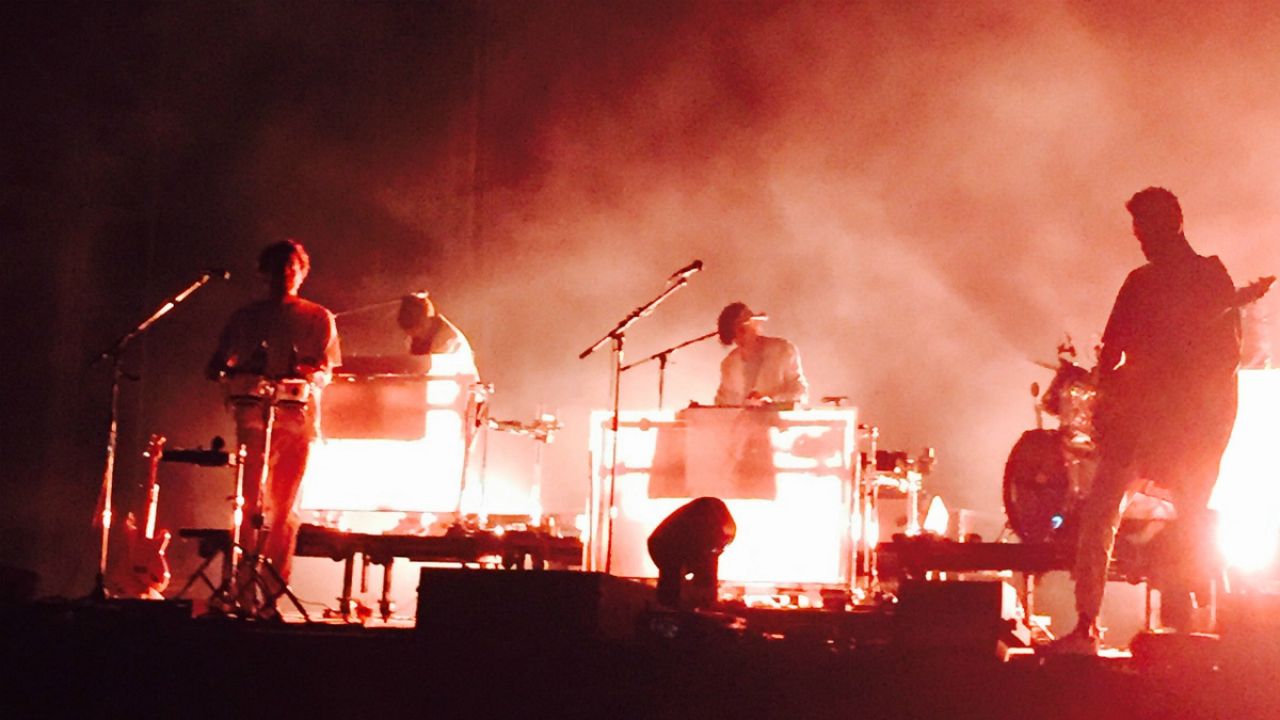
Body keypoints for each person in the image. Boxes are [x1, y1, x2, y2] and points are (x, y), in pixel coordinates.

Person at [1053, 188, 1242, 654]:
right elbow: (1115, 353)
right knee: (1122, 515)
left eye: (1146, 230)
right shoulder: (1169, 281)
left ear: (1174, 221)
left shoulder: (1198, 278)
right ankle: (1202, 626)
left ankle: (1198, 623)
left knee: (1121, 516)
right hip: (1165, 425)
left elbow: (1223, 360)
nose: (1141, 240)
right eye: (1138, 232)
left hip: (1184, 427)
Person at [206, 239, 341, 597]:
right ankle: (242, 584)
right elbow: (220, 362)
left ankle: (271, 590)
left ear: (302, 272)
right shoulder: (245, 318)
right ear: (263, 272)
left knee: (283, 507)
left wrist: (303, 372)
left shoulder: (318, 316)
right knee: (250, 501)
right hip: (252, 420)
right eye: (278, 267)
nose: (285, 274)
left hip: (296, 422)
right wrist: (229, 367)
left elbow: (324, 370)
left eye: (291, 267)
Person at [713, 302, 808, 408]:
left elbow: (800, 391)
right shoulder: (729, 364)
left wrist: (773, 402)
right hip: (742, 424)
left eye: (743, 330)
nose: (740, 337)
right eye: (736, 332)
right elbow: (723, 402)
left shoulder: (783, 350)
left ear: (756, 327)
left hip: (778, 422)